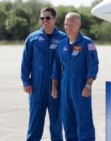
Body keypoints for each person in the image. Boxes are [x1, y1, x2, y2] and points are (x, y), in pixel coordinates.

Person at [21, 7, 67, 141]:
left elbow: (68, 64)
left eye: (47, 18)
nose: (44, 21)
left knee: (57, 126)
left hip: (56, 88)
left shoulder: (64, 39)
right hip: (37, 88)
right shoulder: (32, 38)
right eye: (42, 18)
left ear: (55, 19)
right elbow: (25, 62)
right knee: (35, 125)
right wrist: (26, 81)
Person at [51, 12, 99, 141]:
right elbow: (56, 68)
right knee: (68, 122)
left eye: (72, 24)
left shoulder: (87, 44)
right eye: (66, 24)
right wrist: (54, 87)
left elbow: (93, 66)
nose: (68, 27)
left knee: (84, 120)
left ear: (79, 24)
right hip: (65, 88)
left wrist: (88, 86)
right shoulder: (61, 45)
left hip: (80, 88)